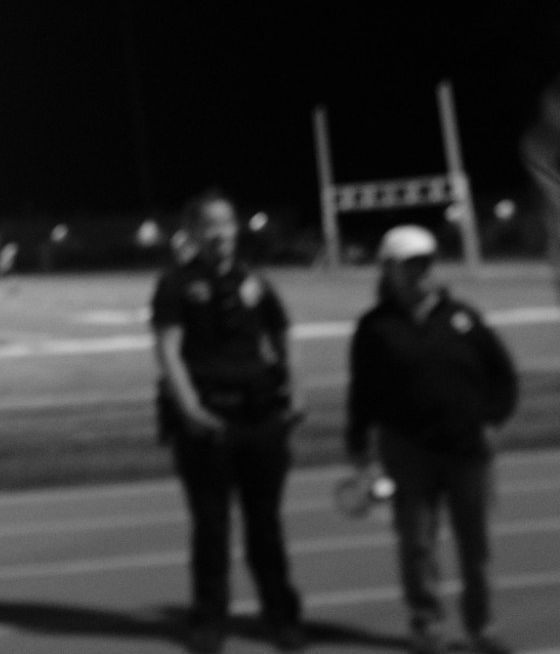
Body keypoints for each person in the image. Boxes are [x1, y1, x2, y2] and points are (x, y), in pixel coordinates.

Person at [346, 226, 519, 654]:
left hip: (467, 451)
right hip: (408, 451)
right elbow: (362, 392)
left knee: (475, 546)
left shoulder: (464, 317)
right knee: (417, 545)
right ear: (389, 270)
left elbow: (504, 377)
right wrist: (357, 444)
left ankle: (481, 628)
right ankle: (427, 625)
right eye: (410, 265)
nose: (421, 273)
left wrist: (492, 422)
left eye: (426, 263)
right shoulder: (374, 328)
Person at [150, 190, 307, 653]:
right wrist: (189, 406)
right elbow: (168, 350)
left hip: (260, 417)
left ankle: (281, 617)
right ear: (194, 233)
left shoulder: (253, 279)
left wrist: (295, 387)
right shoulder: (175, 283)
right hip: (208, 421)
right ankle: (209, 620)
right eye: (210, 225)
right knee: (211, 528)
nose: (221, 233)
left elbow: (284, 331)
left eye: (227, 223)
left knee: (266, 527)